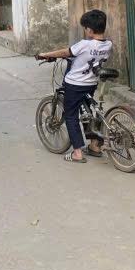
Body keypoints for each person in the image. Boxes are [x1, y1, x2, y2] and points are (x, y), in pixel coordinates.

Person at [36, 9, 113, 164]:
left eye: (85, 28)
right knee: (87, 113)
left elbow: (66, 52)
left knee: (71, 116)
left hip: (75, 84)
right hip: (91, 83)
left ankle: (77, 153)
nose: (85, 30)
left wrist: (46, 54)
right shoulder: (108, 44)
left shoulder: (85, 44)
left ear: (89, 30)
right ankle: (94, 146)